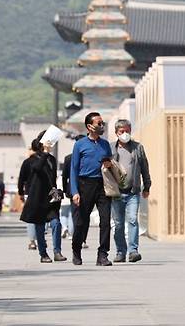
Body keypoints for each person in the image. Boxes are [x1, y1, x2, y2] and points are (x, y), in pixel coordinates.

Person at [70, 112, 113, 266]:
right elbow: (73, 169)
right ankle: (76, 250)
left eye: (102, 123)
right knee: (82, 222)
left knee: (106, 221)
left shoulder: (105, 144)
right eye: (99, 123)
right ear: (89, 126)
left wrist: (109, 165)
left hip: (103, 185)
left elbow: (110, 166)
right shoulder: (79, 145)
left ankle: (102, 255)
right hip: (84, 185)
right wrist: (75, 192)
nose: (102, 126)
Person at [19, 132, 66, 263]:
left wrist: (56, 192)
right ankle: (43, 253)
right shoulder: (32, 159)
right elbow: (37, 169)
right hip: (37, 198)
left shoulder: (52, 159)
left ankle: (57, 251)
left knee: (56, 223)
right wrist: (44, 153)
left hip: (51, 198)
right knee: (39, 227)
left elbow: (53, 177)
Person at [110, 119, 151, 263]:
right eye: (122, 132)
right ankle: (121, 251)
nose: (125, 134)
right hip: (116, 192)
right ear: (116, 133)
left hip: (133, 191)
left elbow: (145, 167)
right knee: (119, 223)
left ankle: (133, 251)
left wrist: (147, 186)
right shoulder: (111, 149)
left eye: (127, 131)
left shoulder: (137, 148)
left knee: (133, 220)